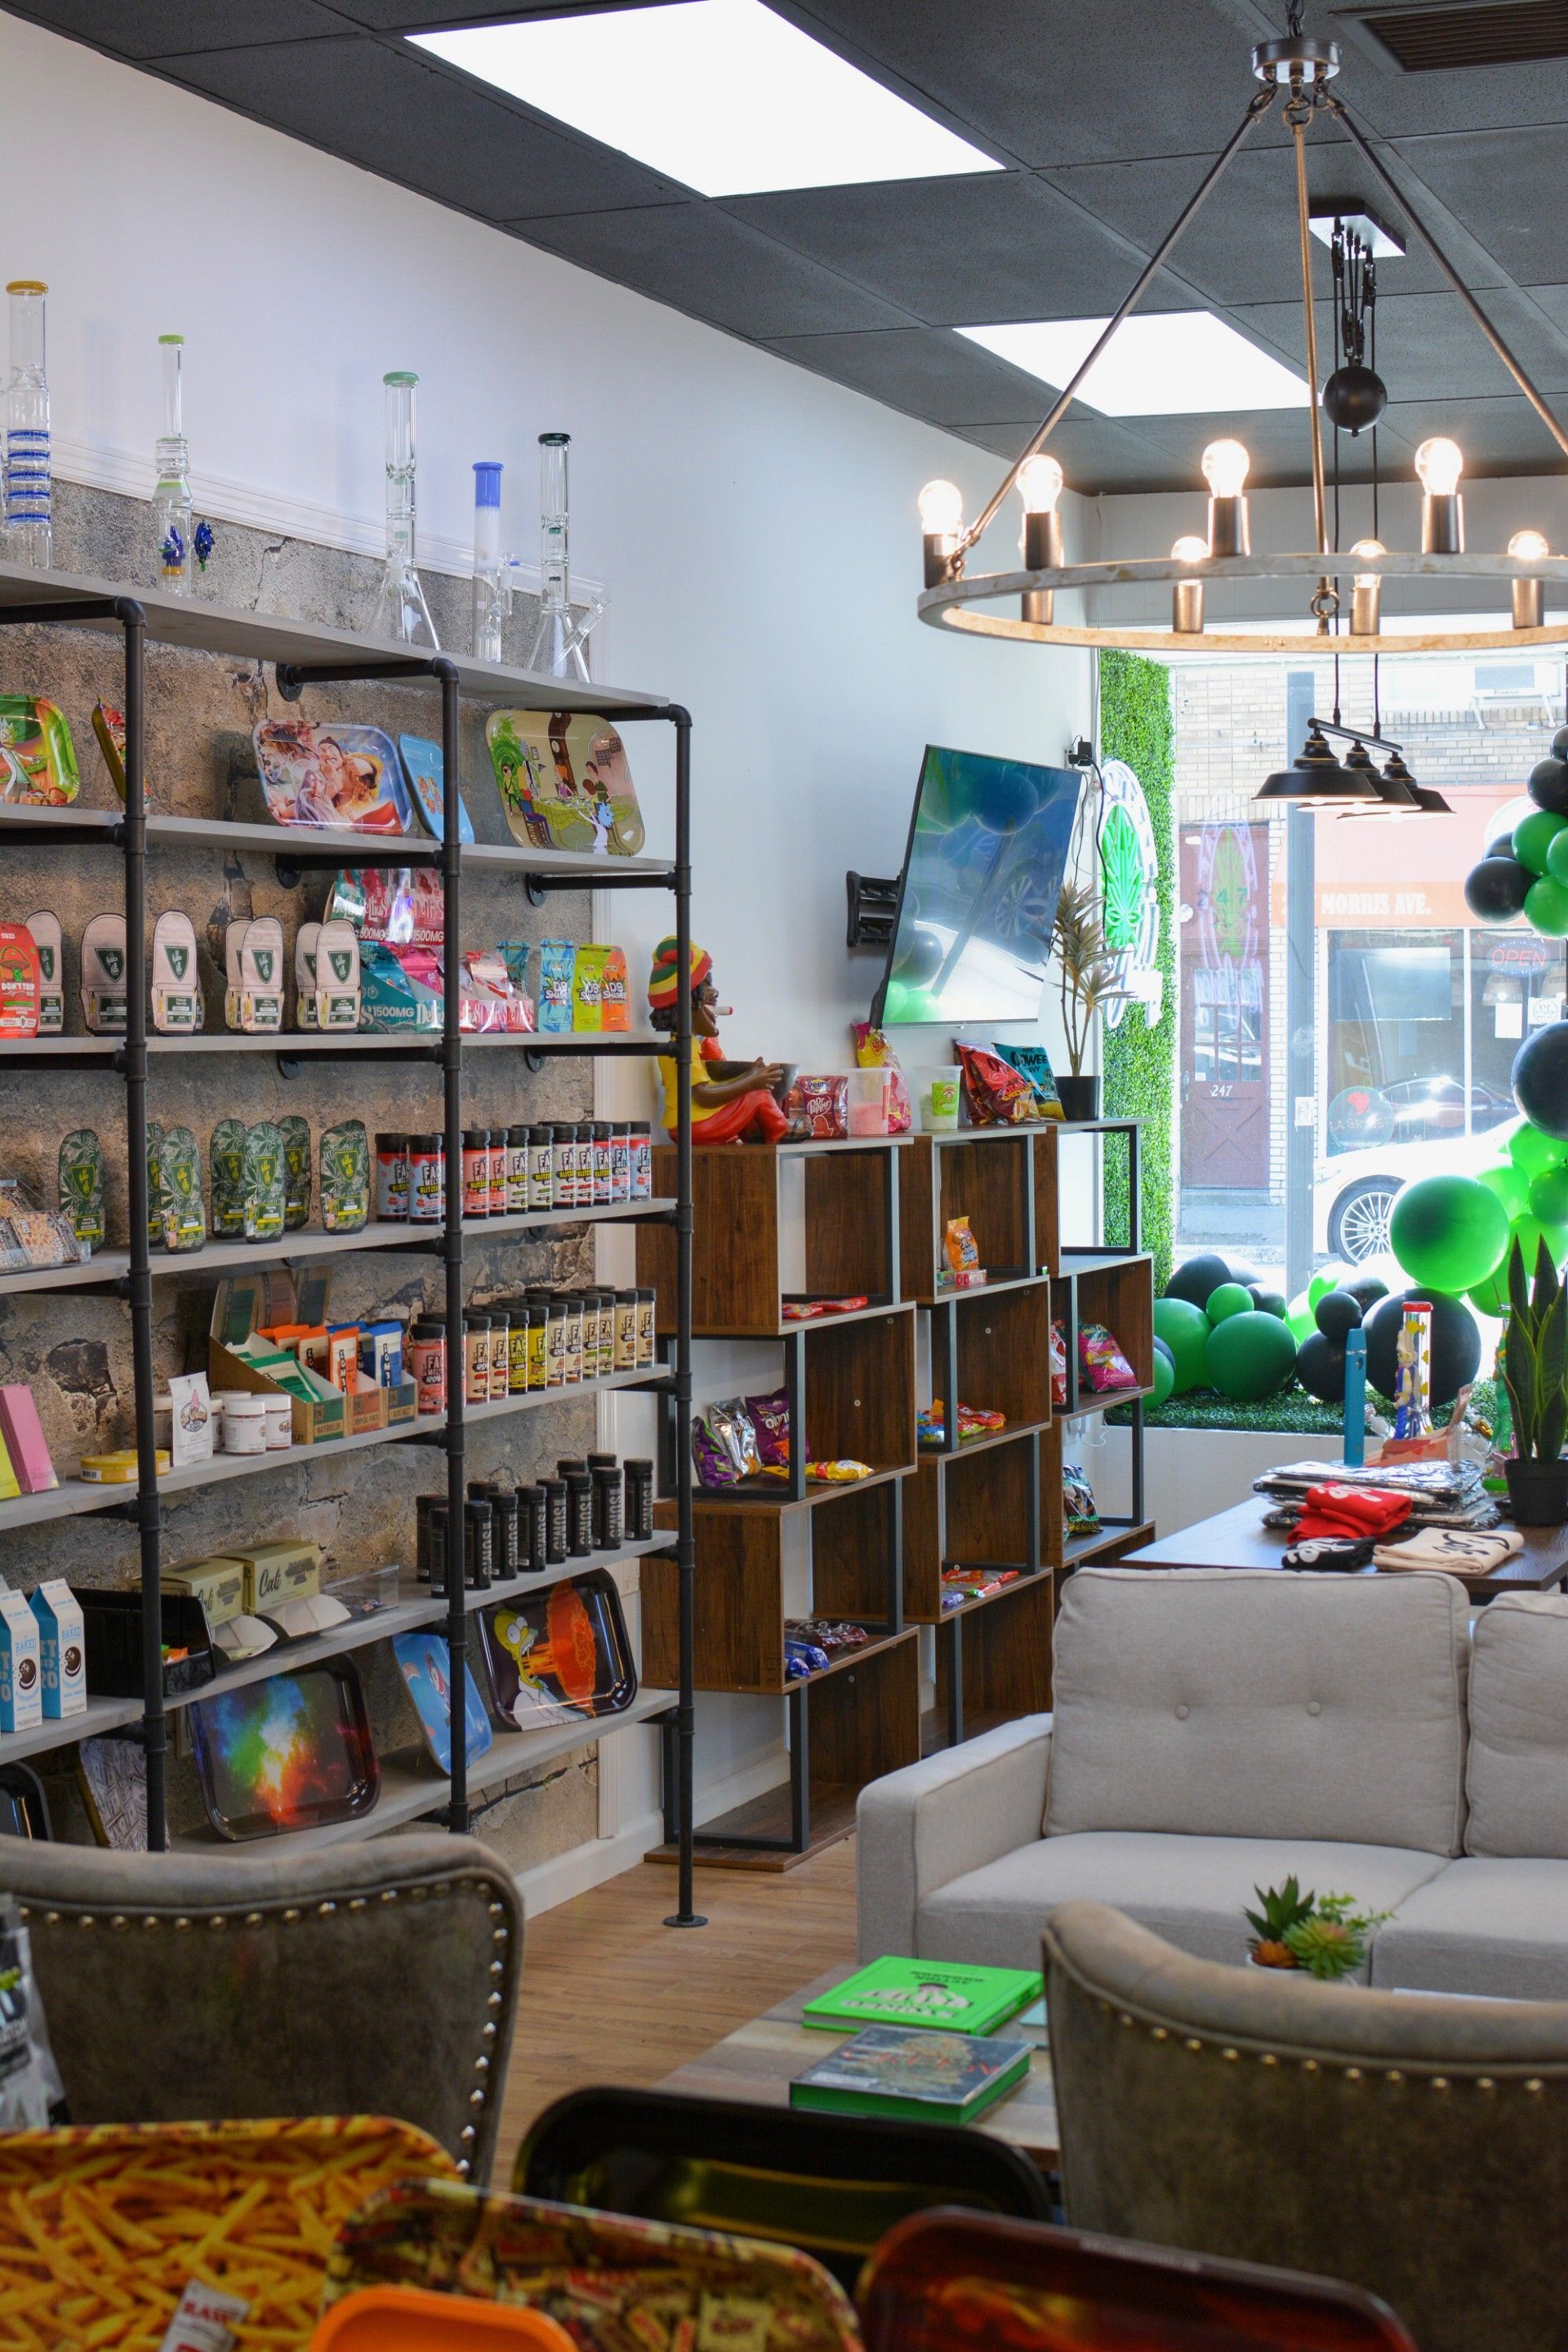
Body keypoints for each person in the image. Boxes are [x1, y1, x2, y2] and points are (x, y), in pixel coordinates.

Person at [648, 938, 793, 1143]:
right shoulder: (683, 1047)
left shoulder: (681, 1044)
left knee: (751, 1094)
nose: (714, 993)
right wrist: (752, 1080)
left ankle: (748, 1133)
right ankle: (781, 1129)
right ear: (688, 1003)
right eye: (705, 985)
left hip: (685, 1126)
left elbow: (714, 1073)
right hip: (695, 1126)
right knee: (759, 1094)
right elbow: (704, 1096)